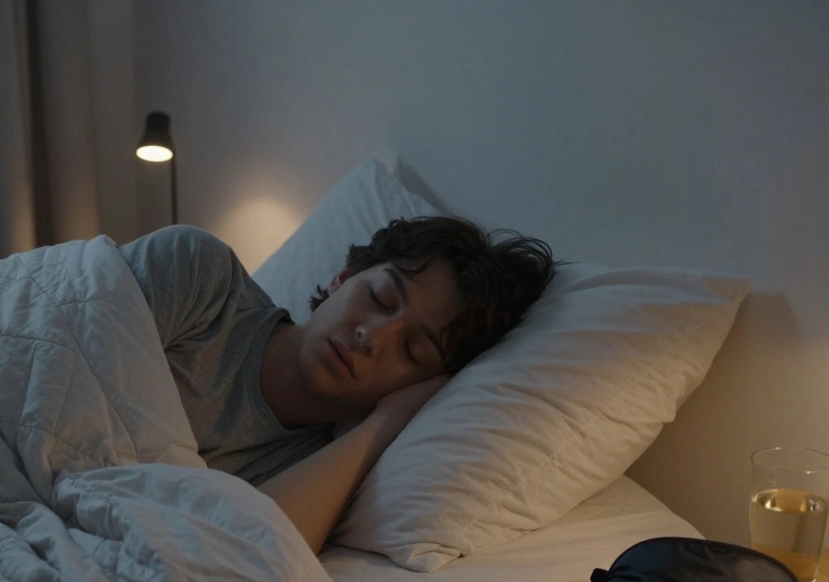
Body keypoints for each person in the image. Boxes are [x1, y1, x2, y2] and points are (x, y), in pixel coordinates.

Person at [120, 216, 555, 553]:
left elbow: (241, 555)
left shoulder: (319, 471)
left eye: (413, 350)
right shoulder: (201, 278)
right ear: (342, 278)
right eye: (380, 298)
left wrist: (384, 424)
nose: (373, 337)